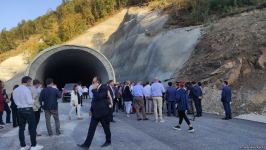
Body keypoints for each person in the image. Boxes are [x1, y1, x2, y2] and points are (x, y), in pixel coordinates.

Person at [77, 77, 112, 149]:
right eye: (92, 82)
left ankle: (108, 141)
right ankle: (86, 145)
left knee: (106, 129)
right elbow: (94, 100)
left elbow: (99, 97)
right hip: (95, 113)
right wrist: (91, 109)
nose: (92, 83)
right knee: (91, 130)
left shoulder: (104, 88)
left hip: (103, 113)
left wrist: (94, 89)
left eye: (93, 82)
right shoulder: (95, 89)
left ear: (98, 82)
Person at [13, 76, 43, 150]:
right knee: (32, 128)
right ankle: (34, 145)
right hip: (28, 110)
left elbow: (15, 101)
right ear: (27, 81)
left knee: (21, 128)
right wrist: (34, 98)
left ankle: (23, 146)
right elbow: (30, 102)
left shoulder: (15, 90)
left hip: (19, 110)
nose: (30, 83)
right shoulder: (26, 90)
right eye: (30, 82)